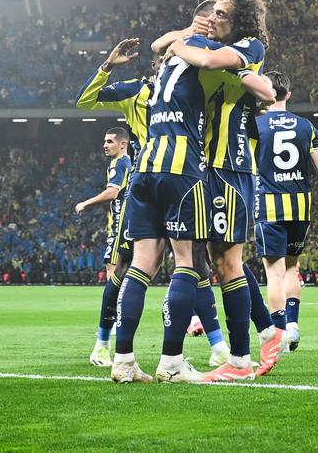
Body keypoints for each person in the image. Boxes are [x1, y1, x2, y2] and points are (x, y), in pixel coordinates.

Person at [77, 35, 229, 367]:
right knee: (128, 267)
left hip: (172, 176)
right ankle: (103, 343)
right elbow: (85, 100)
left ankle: (217, 345)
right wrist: (106, 66)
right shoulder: (137, 90)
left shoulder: (195, 83)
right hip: (152, 179)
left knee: (193, 262)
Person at [152, 0, 276, 382]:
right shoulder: (207, 39)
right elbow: (159, 44)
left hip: (230, 165)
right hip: (206, 166)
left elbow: (204, 60)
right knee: (221, 263)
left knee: (228, 262)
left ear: (239, 19)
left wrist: (183, 44)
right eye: (213, 12)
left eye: (222, 13)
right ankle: (261, 338)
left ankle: (240, 359)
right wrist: (187, 30)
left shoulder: (250, 46)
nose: (214, 18)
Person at [252, 71, 318, 360]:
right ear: (288, 95)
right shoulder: (306, 126)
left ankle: (278, 335)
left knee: (274, 273)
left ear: (263, 93)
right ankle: (292, 325)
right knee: (292, 268)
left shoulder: (255, 125)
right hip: (300, 206)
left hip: (269, 204)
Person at [74, 127, 133, 366]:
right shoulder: (129, 161)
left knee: (114, 281)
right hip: (128, 226)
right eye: (104, 141)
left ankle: (102, 346)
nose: (105, 145)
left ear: (122, 144)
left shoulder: (119, 163)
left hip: (120, 228)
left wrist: (85, 203)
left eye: (110, 141)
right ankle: (115, 336)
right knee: (121, 284)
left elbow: (112, 192)